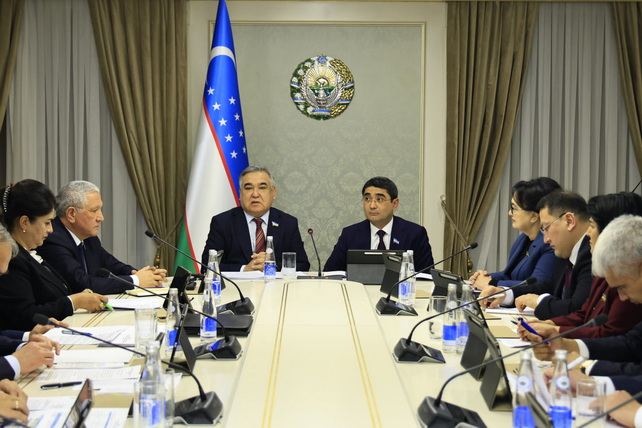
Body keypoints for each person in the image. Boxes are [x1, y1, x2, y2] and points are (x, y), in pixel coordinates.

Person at [518, 192, 642, 339]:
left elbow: (612, 333)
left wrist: (557, 332)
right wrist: (550, 325)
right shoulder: (581, 258)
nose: (588, 233)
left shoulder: (625, 273)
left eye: (592, 226)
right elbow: (584, 313)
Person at [0, 180, 108, 330]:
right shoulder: (11, 259)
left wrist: (80, 298)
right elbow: (23, 316)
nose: (51, 230)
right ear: (24, 222)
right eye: (47, 223)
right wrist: (74, 302)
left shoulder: (31, 253)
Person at [37, 180, 166, 294]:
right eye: (94, 211)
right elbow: (82, 284)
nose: (101, 218)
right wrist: (136, 280)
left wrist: (140, 274)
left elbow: (111, 264)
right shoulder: (52, 240)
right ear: (71, 214)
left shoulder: (89, 238)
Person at [480, 191, 593, 319]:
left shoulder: (591, 255)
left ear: (569, 221)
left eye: (546, 228)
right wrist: (505, 294)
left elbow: (577, 309)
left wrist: (539, 301)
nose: (545, 240)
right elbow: (548, 287)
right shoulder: (568, 251)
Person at [201, 166, 310, 272]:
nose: (255, 194)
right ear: (240, 193)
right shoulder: (222, 222)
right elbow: (207, 266)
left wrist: (273, 267)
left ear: (273, 192)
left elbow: (303, 265)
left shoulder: (287, 223)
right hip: (238, 284)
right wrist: (244, 269)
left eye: (262, 188)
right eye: (248, 188)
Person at [323, 176, 434, 272]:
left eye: (380, 199)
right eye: (367, 199)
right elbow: (330, 272)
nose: (372, 206)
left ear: (395, 204)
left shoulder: (414, 234)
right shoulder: (350, 234)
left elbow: (426, 276)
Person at [470, 177, 562, 290]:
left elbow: (538, 285)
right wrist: (483, 278)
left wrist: (492, 283)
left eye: (514, 208)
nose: (510, 213)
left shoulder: (550, 244)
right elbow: (507, 275)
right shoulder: (523, 238)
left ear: (534, 216)